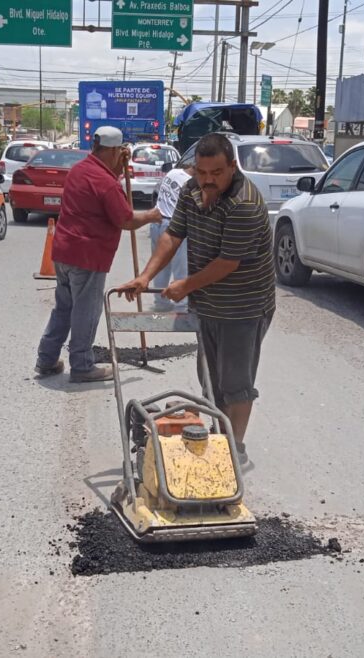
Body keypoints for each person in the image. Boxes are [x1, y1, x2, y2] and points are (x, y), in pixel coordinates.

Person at [118, 134, 275, 463]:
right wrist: (146, 276)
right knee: (211, 381)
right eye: (201, 172)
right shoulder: (192, 191)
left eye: (216, 173)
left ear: (232, 166)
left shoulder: (244, 203)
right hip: (207, 304)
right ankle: (221, 439)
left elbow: (226, 264)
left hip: (243, 307)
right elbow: (173, 235)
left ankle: (235, 451)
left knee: (236, 384)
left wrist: (185, 285)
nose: (208, 180)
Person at [34, 126, 161, 383]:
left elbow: (104, 184)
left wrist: (117, 167)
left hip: (64, 252)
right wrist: (152, 215)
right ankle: (82, 365)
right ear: (114, 150)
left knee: (64, 308)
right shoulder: (106, 183)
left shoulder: (80, 171)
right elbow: (125, 219)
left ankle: (46, 359)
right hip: (88, 256)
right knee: (86, 310)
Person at [149, 164, 193, 311]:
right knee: (181, 268)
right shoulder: (191, 184)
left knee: (160, 265)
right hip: (174, 227)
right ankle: (182, 305)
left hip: (157, 222)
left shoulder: (173, 173)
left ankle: (160, 303)